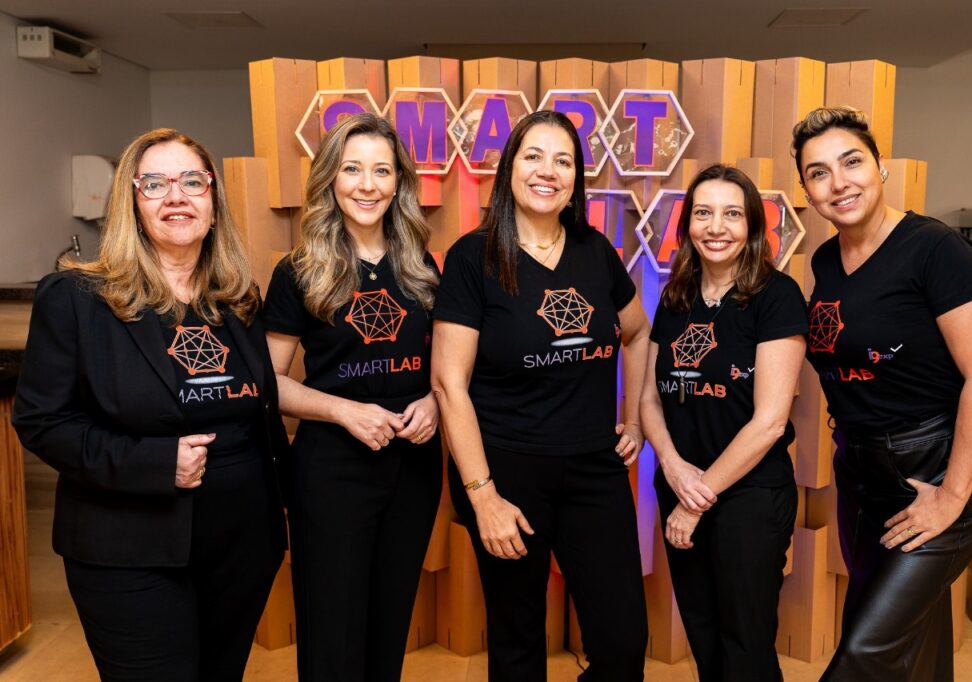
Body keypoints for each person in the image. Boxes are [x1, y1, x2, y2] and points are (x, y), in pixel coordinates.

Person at [13, 128, 287, 681]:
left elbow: (262, 408)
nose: (176, 196)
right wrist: (157, 464)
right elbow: (42, 422)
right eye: (155, 184)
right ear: (131, 202)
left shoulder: (236, 298)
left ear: (213, 199)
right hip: (128, 549)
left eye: (192, 182)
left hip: (241, 546)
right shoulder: (76, 299)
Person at [431, 110, 650, 682]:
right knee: (518, 642)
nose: (547, 171)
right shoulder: (472, 257)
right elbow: (449, 384)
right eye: (533, 156)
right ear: (509, 168)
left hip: (594, 469)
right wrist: (483, 498)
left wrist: (634, 421)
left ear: (576, 178)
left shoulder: (595, 251)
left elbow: (637, 332)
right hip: (506, 473)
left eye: (563, 160)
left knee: (623, 640)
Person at [792, 106, 972, 681]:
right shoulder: (826, 260)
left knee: (867, 652)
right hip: (862, 473)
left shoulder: (936, 250)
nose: (839, 183)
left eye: (851, 162)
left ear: (879, 167)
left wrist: (952, 495)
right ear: (807, 191)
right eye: (818, 172)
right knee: (908, 635)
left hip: (936, 468)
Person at [262, 113, 442, 682]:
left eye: (382, 171)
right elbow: (269, 382)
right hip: (332, 472)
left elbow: (447, 367)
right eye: (352, 169)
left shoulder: (421, 265)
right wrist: (343, 411)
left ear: (399, 182)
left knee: (389, 626)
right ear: (330, 179)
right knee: (333, 633)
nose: (368, 185)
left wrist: (435, 403)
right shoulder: (298, 271)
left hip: (412, 469)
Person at [639, 164, 806, 681]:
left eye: (732, 214)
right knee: (705, 636)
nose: (716, 227)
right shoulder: (675, 297)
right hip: (681, 487)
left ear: (752, 224)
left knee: (745, 647)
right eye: (703, 213)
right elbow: (649, 400)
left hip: (748, 496)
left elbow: (769, 423)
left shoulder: (776, 296)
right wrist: (673, 469)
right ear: (687, 224)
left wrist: (696, 499)